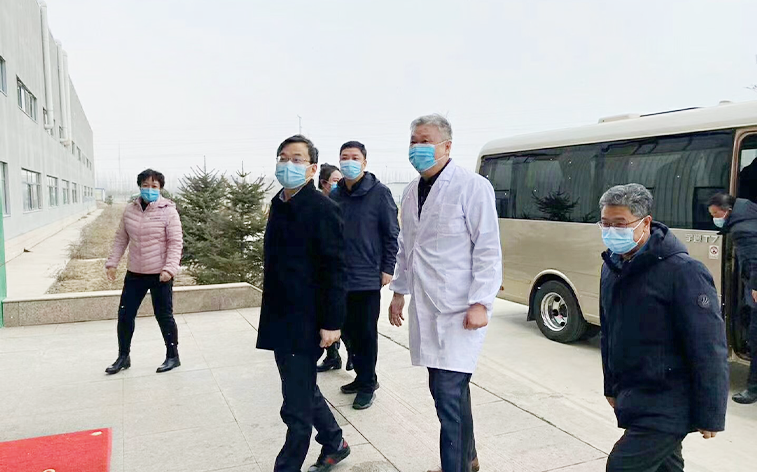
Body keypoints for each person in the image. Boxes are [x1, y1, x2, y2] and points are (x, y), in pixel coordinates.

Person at [388, 115, 501, 472]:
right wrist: (398, 291)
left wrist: (481, 302)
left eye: (425, 141)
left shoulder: (472, 186)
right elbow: (406, 247)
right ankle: (469, 458)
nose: (417, 148)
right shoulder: (410, 192)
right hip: (426, 306)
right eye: (413, 141)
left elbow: (487, 248)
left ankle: (455, 466)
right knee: (449, 391)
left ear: (447, 146)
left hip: (460, 309)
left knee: (447, 396)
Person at [599, 184, 729, 472]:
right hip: (634, 394)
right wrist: (611, 386)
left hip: (669, 399)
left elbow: (709, 345)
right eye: (605, 224)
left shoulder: (683, 271)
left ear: (645, 222)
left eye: (620, 224)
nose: (611, 231)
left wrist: (711, 412)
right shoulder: (612, 266)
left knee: (621, 467)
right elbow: (609, 332)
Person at [256, 135, 350, 472]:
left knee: (295, 407)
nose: (288, 164)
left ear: (312, 169)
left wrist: (332, 323)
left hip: (306, 318)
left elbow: (336, 269)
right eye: (283, 157)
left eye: (297, 159)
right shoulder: (278, 204)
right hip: (279, 315)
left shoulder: (323, 208)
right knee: (302, 387)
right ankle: (335, 441)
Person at [331, 141, 400, 410]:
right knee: (346, 330)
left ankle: (368, 384)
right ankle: (361, 376)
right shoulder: (336, 194)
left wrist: (388, 268)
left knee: (365, 334)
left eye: (354, 157)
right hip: (340, 277)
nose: (349, 161)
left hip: (367, 276)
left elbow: (391, 233)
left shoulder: (379, 193)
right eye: (344, 157)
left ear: (364, 162)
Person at [104, 169, 183, 375]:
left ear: (160, 188)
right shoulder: (130, 210)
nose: (150, 189)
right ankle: (123, 357)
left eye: (154, 186)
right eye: (145, 185)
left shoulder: (168, 211)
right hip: (135, 273)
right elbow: (121, 239)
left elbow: (175, 243)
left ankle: (173, 356)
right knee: (125, 315)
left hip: (160, 274)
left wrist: (170, 269)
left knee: (164, 316)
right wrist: (112, 263)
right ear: (139, 187)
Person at [709, 193, 757, 404]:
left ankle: (753, 389)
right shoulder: (750, 211)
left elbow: (754, 259)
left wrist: (755, 287)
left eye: (715, 214)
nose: (713, 218)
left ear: (727, 211)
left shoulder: (742, 229)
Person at [315, 164, 350, 373]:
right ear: (324, 183)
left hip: (343, 269)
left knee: (342, 319)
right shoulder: (318, 206)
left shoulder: (343, 201)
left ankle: (351, 353)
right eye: (335, 180)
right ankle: (333, 356)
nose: (340, 183)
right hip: (321, 275)